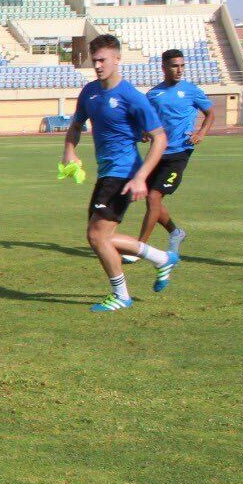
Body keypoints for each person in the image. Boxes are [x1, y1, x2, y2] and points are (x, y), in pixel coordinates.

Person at [62, 34, 178, 310]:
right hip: (107, 173)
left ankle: (123, 295)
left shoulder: (132, 97)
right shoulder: (89, 92)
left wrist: (140, 177)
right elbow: (76, 125)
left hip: (124, 172)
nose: (98, 65)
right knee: (99, 236)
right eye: (95, 61)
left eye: (103, 60)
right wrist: (69, 150)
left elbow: (159, 137)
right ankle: (161, 258)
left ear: (117, 59)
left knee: (97, 236)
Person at [136, 48, 212, 257]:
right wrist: (143, 132)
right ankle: (176, 232)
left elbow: (210, 113)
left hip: (179, 153)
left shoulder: (191, 90)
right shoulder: (153, 94)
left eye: (182, 66)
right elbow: (147, 120)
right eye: (174, 66)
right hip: (157, 153)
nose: (179, 70)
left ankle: (139, 248)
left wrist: (201, 133)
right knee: (152, 201)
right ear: (163, 68)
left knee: (153, 197)